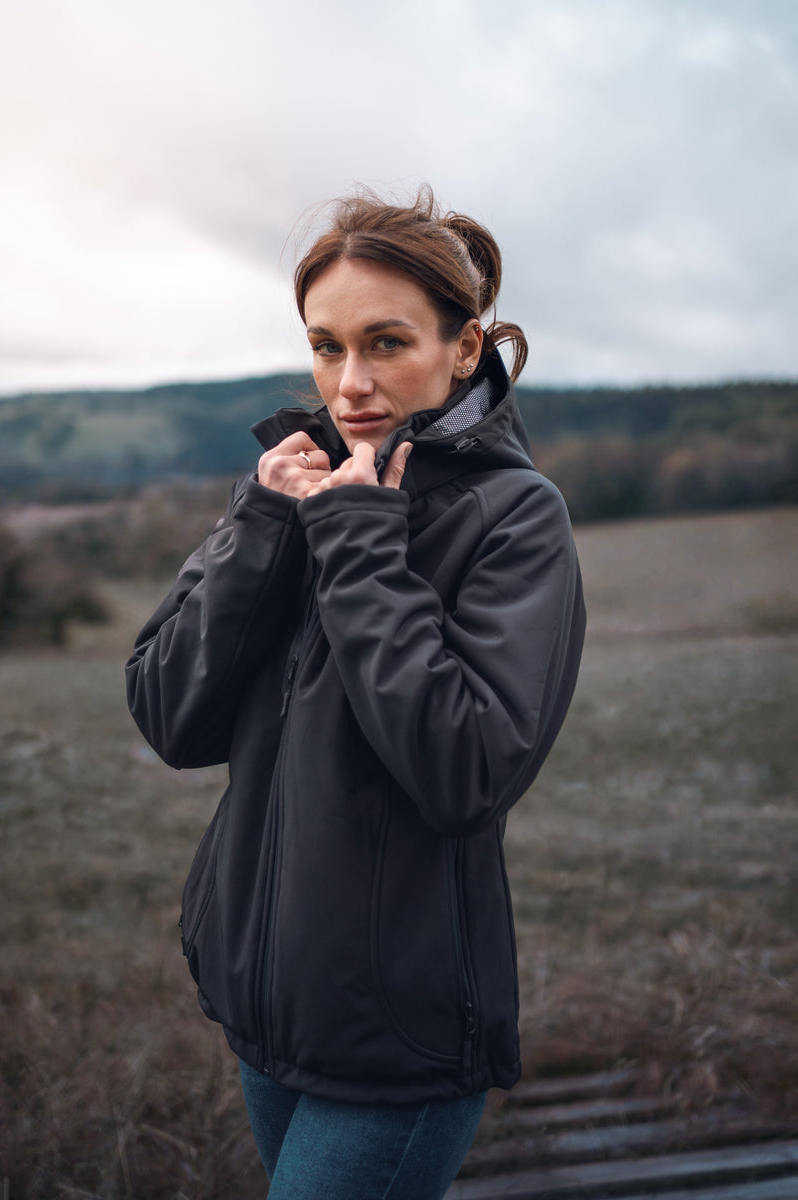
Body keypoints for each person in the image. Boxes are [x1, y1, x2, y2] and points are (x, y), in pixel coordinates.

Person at [126, 188, 586, 1199]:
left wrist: (360, 550)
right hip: (264, 1009)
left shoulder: (512, 519)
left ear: (463, 349)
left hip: (395, 1039)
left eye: (386, 343)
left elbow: (463, 768)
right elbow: (169, 715)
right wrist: (258, 523)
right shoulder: (296, 495)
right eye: (326, 346)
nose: (351, 383)